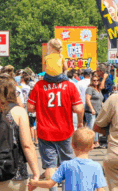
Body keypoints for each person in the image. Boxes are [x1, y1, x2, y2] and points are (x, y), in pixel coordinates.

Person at [27, 59, 84, 191]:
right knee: (67, 164)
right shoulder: (69, 85)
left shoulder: (39, 85)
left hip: (45, 132)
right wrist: (80, 121)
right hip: (65, 131)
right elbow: (79, 108)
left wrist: (41, 106)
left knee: (50, 166)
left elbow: (30, 107)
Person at [29, 128, 106, 191]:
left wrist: (34, 182)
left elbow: (50, 184)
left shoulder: (66, 165)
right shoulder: (96, 166)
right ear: (92, 147)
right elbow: (100, 189)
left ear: (72, 145)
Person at [84, 73, 105, 149]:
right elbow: (87, 99)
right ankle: (91, 143)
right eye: (94, 80)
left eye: (97, 80)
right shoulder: (90, 89)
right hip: (91, 112)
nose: (96, 81)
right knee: (91, 127)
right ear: (91, 81)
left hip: (98, 112)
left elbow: (100, 100)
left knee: (96, 127)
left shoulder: (98, 90)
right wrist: (92, 109)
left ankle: (96, 142)